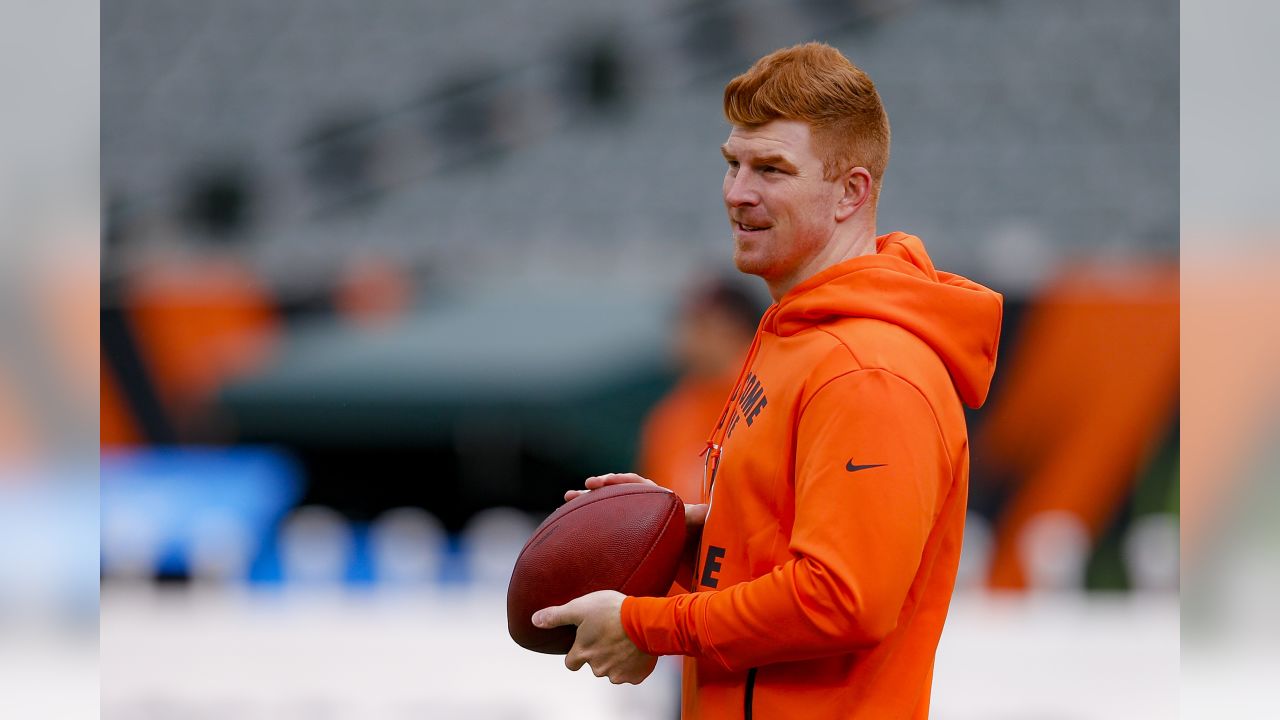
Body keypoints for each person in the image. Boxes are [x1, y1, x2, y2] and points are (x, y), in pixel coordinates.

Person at [533, 42, 1003, 718]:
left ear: (851, 192)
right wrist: (674, 530)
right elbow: (780, 550)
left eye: (771, 170)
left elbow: (842, 600)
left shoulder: (868, 369)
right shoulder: (798, 334)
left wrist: (646, 625)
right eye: (732, 164)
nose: (737, 192)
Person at [639, 276, 766, 504]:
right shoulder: (672, 414)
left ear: (732, 326)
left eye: (698, 321)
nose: (682, 333)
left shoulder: (770, 393)